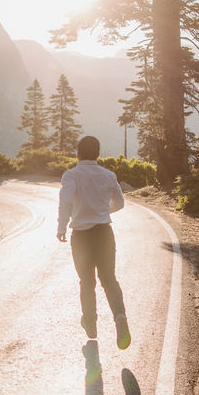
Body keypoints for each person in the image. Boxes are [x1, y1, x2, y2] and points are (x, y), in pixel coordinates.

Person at [57, 135, 130, 350]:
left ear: (78, 153)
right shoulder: (108, 175)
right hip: (104, 233)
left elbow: (66, 201)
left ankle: (90, 322)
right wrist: (102, 211)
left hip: (81, 236)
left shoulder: (71, 175)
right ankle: (120, 317)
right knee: (109, 279)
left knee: (87, 282)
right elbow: (120, 202)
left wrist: (61, 227)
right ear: (98, 153)